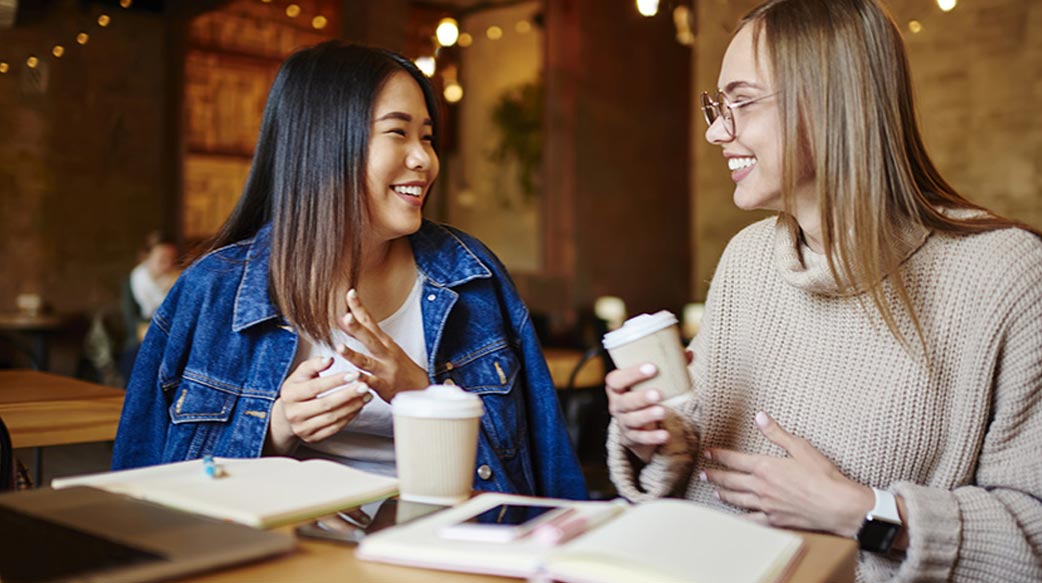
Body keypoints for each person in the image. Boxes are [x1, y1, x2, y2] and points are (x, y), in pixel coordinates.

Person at [604, 0, 1042, 581]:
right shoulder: (747, 259)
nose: (716, 130)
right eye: (718, 104)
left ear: (831, 101)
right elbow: (700, 455)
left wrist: (864, 512)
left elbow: (1032, 536)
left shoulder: (1003, 274)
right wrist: (651, 438)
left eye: (741, 102)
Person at [111, 42, 586, 501]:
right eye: (398, 132)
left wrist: (421, 395)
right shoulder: (211, 292)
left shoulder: (472, 279)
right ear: (323, 143)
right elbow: (145, 490)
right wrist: (276, 429)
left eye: (427, 137)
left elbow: (543, 479)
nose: (424, 159)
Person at [118, 232, 179, 383]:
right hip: (141, 341)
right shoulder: (135, 281)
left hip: (174, 339)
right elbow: (132, 322)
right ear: (147, 257)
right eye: (162, 260)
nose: (168, 265)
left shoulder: (179, 281)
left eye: (171, 260)